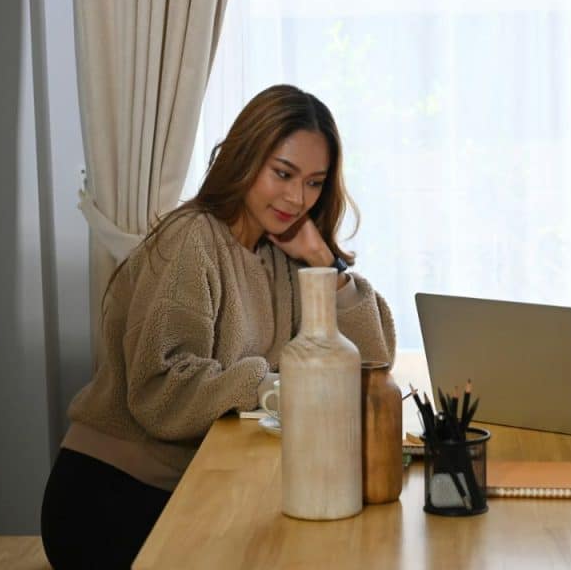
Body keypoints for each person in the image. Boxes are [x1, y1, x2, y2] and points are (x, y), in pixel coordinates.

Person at [40, 85, 396, 569]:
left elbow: (372, 363)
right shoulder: (192, 239)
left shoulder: (284, 252)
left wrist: (323, 263)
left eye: (314, 182)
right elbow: (159, 389)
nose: (297, 197)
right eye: (283, 173)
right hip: (113, 494)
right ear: (246, 157)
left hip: (196, 483)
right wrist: (273, 383)